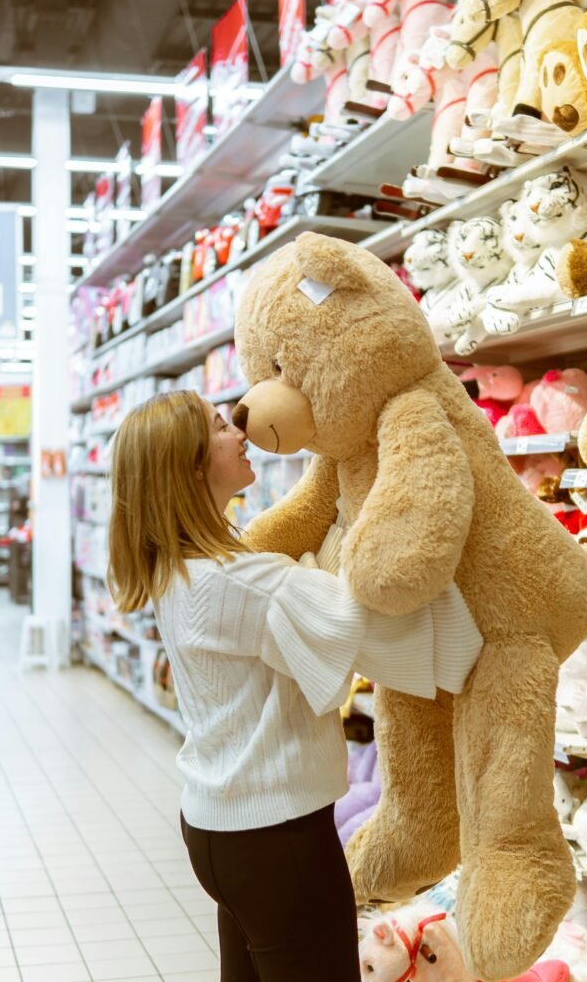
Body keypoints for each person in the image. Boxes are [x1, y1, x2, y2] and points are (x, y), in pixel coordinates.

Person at [108, 390, 482, 982]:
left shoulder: (180, 569)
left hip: (218, 829)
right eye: (217, 426)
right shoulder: (239, 581)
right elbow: (358, 615)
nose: (238, 429)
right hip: (276, 840)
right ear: (194, 465)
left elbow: (299, 598)